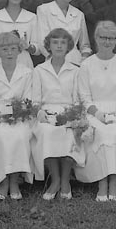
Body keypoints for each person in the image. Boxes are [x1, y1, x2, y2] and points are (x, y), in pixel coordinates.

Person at [75, 21, 116, 201]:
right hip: (94, 111)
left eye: (111, 38)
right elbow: (84, 96)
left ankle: (114, 183)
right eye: (103, 37)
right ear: (96, 38)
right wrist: (98, 114)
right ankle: (102, 182)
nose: (107, 42)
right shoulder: (87, 65)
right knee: (101, 133)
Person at [30, 28, 84, 200]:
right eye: (55, 42)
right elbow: (35, 100)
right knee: (47, 132)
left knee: (68, 132)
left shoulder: (75, 70)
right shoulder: (39, 70)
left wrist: (73, 115)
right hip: (46, 113)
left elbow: (77, 99)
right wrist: (40, 113)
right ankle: (55, 179)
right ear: (48, 46)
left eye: (63, 42)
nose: (59, 46)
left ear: (68, 46)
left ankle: (66, 180)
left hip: (68, 111)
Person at [0, 32, 34, 201]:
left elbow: (28, 100)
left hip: (19, 115)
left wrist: (19, 113)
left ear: (19, 50)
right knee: (0, 136)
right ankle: (3, 180)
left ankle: (14, 181)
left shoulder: (27, 73)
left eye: (13, 48)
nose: (9, 52)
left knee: (20, 135)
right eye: (4, 49)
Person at [36, 0, 91, 65]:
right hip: (53, 63)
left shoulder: (79, 14)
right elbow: (42, 42)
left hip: (76, 63)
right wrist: (56, 61)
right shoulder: (44, 10)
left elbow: (85, 46)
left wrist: (83, 60)